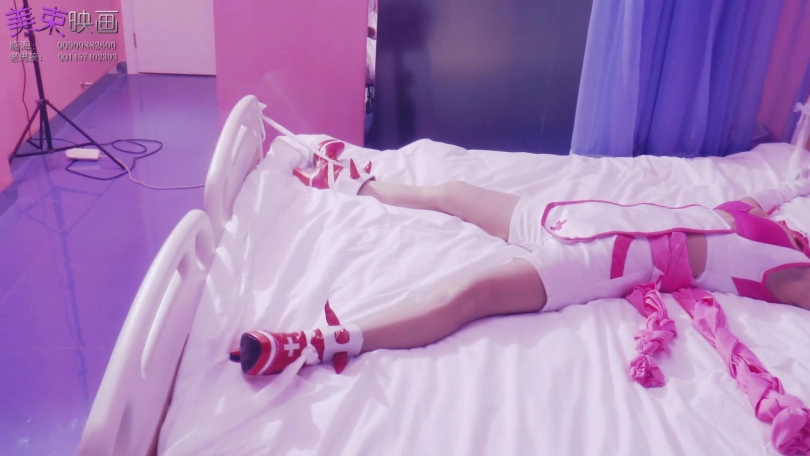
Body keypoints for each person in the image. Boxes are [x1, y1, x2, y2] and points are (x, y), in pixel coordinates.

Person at [229, 138, 810, 377]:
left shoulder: (784, 272)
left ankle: (317, 343)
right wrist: (795, 184)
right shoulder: (751, 217)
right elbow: (771, 192)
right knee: (455, 193)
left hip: (606, 260)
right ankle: (355, 185)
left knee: (470, 294)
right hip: (570, 214)